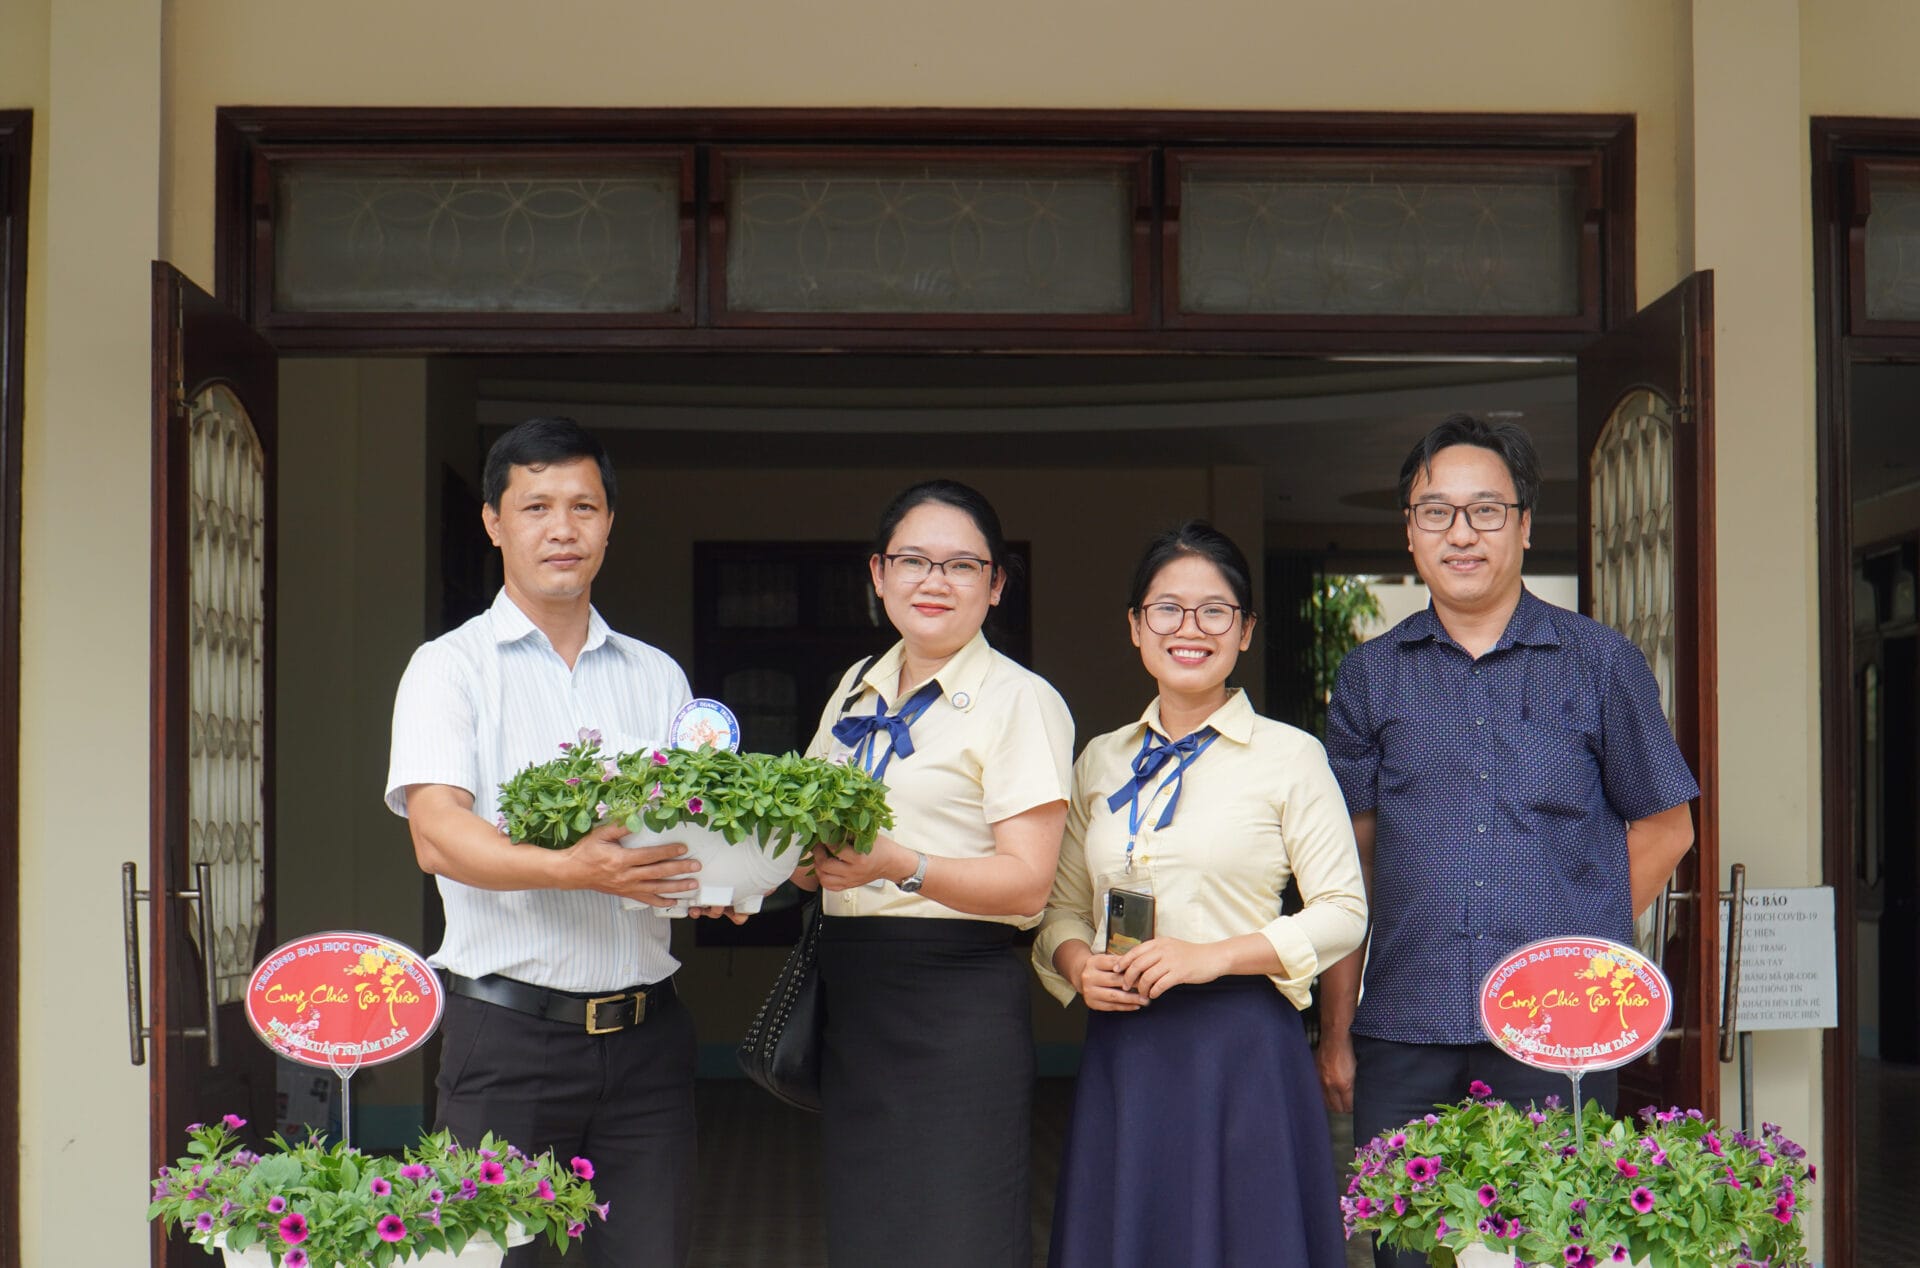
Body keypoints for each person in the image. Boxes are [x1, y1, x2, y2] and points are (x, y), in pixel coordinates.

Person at [1315, 413, 1701, 1268]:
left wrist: (1570, 963)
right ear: (1409, 533)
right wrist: (1335, 1029)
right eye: (1436, 512)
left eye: (1486, 511)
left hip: (1553, 1036)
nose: (1462, 533)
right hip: (1405, 1027)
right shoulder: (1369, 677)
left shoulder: (1601, 664)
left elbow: (1668, 828)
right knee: (1406, 1250)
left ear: (1525, 526)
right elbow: (1350, 861)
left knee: (1546, 1249)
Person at [385, 417, 704, 1267]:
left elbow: (688, 828)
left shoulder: (658, 675)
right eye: (535, 507)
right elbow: (439, 837)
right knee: (493, 1258)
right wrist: (574, 869)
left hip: (647, 1042)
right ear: (494, 522)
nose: (562, 529)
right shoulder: (448, 668)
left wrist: (716, 882)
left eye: (583, 507)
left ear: (609, 523)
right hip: (508, 1040)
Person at [1034, 520, 1367, 1268]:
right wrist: (1079, 962)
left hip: (1244, 1049)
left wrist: (1210, 957)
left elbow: (1344, 913)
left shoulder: (1291, 757)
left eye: (1215, 610)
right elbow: (1056, 907)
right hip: (1127, 1049)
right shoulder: (1100, 759)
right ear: (1135, 627)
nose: (1190, 629)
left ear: (1245, 631)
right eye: (1167, 609)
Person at [796, 479, 1073, 1268]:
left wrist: (898, 866)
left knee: (959, 1233)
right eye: (913, 560)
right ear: (878, 574)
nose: (934, 580)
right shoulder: (857, 685)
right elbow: (809, 846)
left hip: (955, 1005)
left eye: (961, 565)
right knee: (868, 1233)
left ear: (995, 586)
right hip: (855, 996)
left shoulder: (1019, 700)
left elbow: (1026, 886)